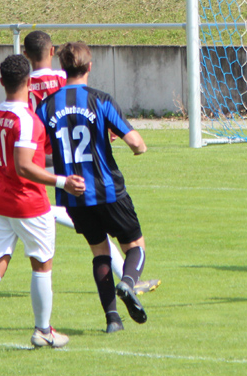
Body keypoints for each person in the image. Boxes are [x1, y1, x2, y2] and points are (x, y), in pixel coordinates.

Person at [0, 54, 85, 359]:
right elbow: (24, 167)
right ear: (29, 82)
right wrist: (63, 182)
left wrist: (10, 164)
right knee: (42, 265)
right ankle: (43, 331)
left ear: (1, 82)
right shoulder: (27, 120)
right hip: (29, 203)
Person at [22, 31, 162, 295]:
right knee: (128, 239)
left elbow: (33, 123)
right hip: (87, 171)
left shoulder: (27, 86)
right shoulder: (73, 86)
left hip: (50, 161)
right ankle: (130, 280)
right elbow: (82, 113)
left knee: (97, 247)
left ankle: (115, 310)